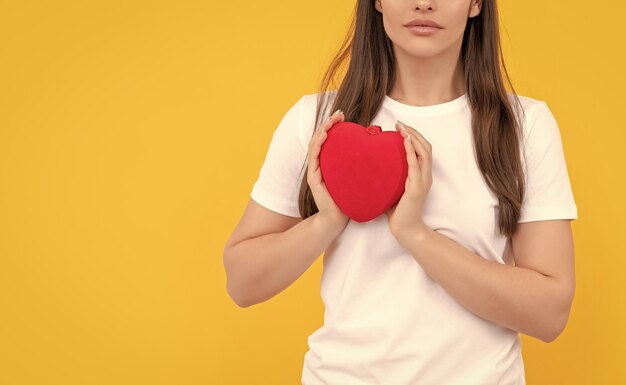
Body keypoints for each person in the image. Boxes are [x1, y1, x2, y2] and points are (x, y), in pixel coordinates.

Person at [223, 0, 578, 383]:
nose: (423, 3)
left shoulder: (523, 126)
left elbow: (549, 314)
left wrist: (415, 234)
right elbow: (242, 283)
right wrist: (329, 219)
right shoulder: (316, 121)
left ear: (476, 3)